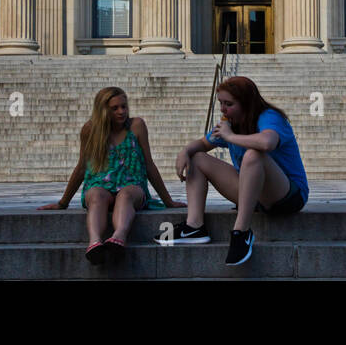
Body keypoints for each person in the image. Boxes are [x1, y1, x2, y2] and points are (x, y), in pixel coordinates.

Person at [165, 75, 308, 266]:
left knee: (253, 155)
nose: (223, 109)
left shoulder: (269, 117)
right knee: (197, 157)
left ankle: (241, 233)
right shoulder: (231, 124)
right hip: (257, 197)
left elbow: (267, 142)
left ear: (246, 103)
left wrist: (229, 136)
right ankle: (194, 226)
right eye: (221, 103)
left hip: (288, 195)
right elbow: (202, 143)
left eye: (229, 104)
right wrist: (185, 151)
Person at [38, 86, 183, 264]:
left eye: (124, 106)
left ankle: (118, 238)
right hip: (100, 184)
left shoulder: (136, 126)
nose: (121, 112)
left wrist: (168, 201)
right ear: (103, 110)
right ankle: (95, 243)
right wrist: (62, 203)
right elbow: (82, 167)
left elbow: (149, 165)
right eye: (115, 108)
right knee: (96, 195)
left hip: (132, 185)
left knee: (125, 195)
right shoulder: (90, 129)